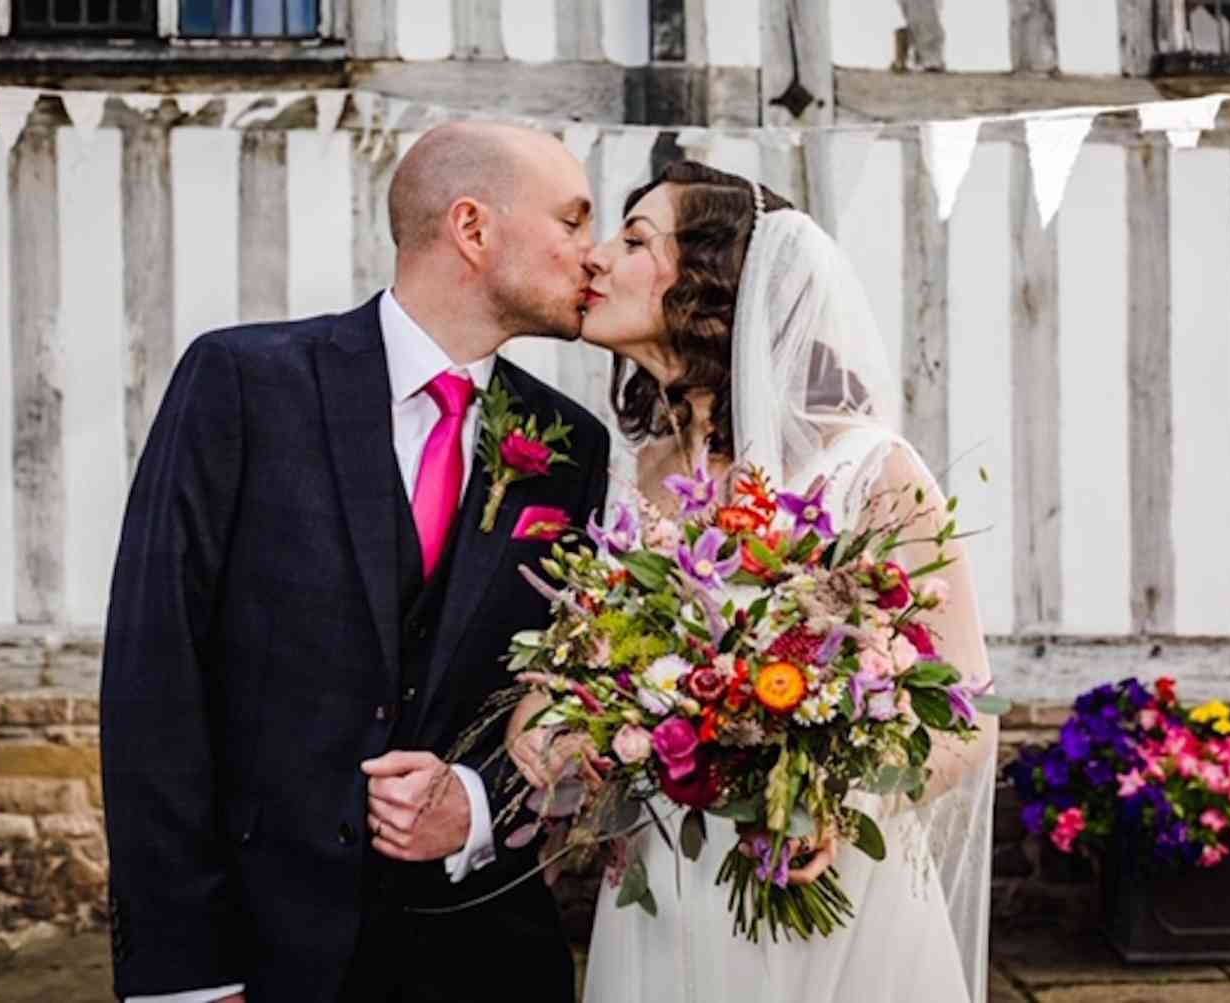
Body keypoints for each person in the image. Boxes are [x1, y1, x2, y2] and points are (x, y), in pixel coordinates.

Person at [100, 122, 609, 1003]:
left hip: (484, 956)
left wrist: (479, 808)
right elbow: (155, 673)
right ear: (472, 228)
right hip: (268, 953)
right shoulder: (242, 383)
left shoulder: (571, 446)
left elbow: (569, 683)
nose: (591, 256)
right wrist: (183, 973)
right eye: (571, 222)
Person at [510, 161, 998, 1002]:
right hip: (667, 880)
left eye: (632, 240)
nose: (594, 259)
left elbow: (968, 713)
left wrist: (834, 803)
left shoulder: (871, 470)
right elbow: (589, 656)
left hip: (820, 876)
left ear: (709, 283)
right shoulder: (637, 474)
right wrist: (549, 715)